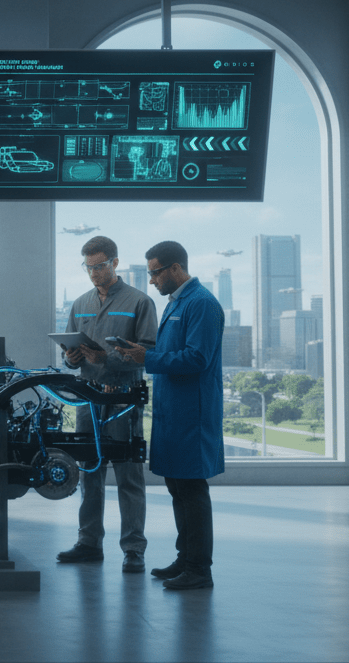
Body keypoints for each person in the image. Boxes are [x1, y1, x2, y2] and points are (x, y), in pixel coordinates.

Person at [115, 240, 224, 591]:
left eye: (155, 273)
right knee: (178, 487)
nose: (152, 282)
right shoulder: (178, 303)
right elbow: (170, 353)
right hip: (172, 410)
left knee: (192, 490)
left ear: (175, 268)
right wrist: (142, 353)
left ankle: (199, 569)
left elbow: (196, 358)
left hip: (191, 413)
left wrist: (146, 359)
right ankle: (184, 558)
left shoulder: (202, 304)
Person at [56, 235, 158, 574]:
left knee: (128, 474)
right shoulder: (81, 303)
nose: (94, 273)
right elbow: (70, 355)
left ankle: (133, 549)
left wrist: (108, 357)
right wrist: (71, 357)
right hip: (88, 397)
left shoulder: (139, 302)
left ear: (114, 262)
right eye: (88, 267)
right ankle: (89, 542)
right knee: (89, 471)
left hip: (123, 396)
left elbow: (147, 353)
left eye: (100, 266)